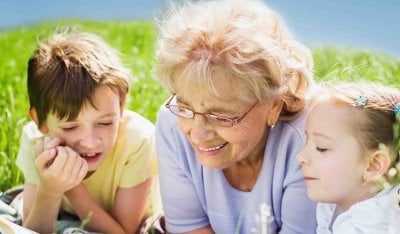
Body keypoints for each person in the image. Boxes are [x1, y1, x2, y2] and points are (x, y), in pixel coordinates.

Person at [154, 0, 317, 233]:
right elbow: (188, 228)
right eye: (184, 106)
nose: (198, 134)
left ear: (274, 105)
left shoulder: (310, 141)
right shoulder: (171, 123)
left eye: (221, 116)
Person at [16, 29, 159, 233]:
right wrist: (49, 190)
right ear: (41, 122)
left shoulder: (138, 141)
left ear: (121, 109)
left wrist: (71, 187)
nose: (90, 142)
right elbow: (31, 230)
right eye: (71, 127)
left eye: (105, 123)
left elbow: (124, 232)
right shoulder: (35, 140)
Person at [298, 82, 400, 233]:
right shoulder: (332, 205)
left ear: (373, 165)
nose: (300, 157)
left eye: (321, 147)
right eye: (306, 141)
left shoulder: (372, 226)